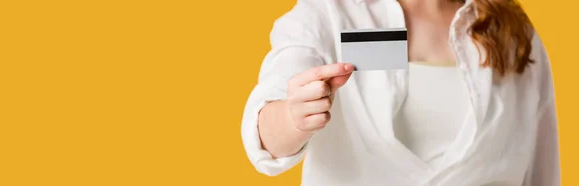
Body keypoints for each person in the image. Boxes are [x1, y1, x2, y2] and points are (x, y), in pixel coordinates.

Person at [240, 0, 560, 185]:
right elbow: (266, 138)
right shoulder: (330, 12)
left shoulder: (514, 31)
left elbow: (541, 168)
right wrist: (293, 117)